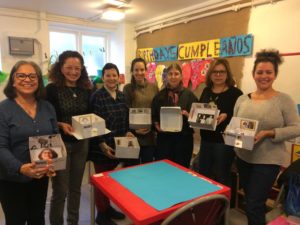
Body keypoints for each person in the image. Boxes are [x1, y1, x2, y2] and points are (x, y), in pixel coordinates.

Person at [234, 49, 300, 225]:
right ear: (253, 74)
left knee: (253, 205)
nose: (264, 76)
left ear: (275, 74)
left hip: (267, 162)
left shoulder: (284, 100)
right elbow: (236, 124)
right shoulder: (242, 99)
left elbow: (297, 128)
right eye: (260, 72)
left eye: (268, 72)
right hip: (243, 158)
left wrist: (270, 133)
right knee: (253, 202)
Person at [0, 61, 58, 225]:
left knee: (37, 218)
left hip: (40, 175)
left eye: (33, 76)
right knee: (15, 220)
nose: (28, 79)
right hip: (11, 178)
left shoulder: (47, 107)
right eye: (21, 75)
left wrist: (54, 160)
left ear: (39, 81)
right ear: (13, 80)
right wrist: (20, 168)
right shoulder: (3, 110)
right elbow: (1, 147)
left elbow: (54, 138)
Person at [46, 50, 93, 225]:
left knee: (76, 188)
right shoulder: (51, 89)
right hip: (59, 145)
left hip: (81, 144)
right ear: (60, 68)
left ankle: (73, 222)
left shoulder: (86, 89)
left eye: (77, 68)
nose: (73, 72)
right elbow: (46, 117)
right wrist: (60, 125)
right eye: (69, 67)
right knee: (60, 189)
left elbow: (90, 115)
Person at [89, 63, 133, 225]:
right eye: (108, 75)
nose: (111, 78)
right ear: (103, 77)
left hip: (119, 144)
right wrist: (101, 143)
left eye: (114, 75)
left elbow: (126, 118)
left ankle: (108, 208)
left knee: (112, 181)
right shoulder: (97, 96)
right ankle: (102, 213)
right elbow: (93, 123)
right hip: (102, 146)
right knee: (102, 182)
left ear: (118, 76)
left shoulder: (122, 96)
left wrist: (129, 132)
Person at [198, 58, 243, 186]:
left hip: (224, 142)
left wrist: (227, 116)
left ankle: (222, 205)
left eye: (222, 72)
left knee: (222, 177)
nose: (218, 75)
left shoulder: (236, 93)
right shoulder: (206, 91)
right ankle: (206, 204)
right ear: (210, 74)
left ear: (227, 74)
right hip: (206, 140)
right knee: (204, 176)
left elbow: (241, 118)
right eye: (215, 72)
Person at [151, 63, 197, 168]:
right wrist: (156, 125)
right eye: (170, 74)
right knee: (164, 170)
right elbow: (153, 115)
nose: (173, 77)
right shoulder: (159, 96)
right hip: (164, 141)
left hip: (183, 141)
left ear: (181, 76)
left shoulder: (190, 96)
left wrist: (188, 115)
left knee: (182, 170)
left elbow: (197, 118)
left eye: (176, 74)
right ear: (166, 76)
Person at [123, 58, 159, 163]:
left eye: (142, 70)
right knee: (132, 170)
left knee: (147, 169)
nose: (139, 73)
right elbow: (125, 112)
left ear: (146, 71)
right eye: (136, 70)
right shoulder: (127, 88)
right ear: (132, 71)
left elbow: (156, 110)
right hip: (133, 137)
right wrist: (133, 130)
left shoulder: (154, 87)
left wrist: (152, 125)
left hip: (149, 136)